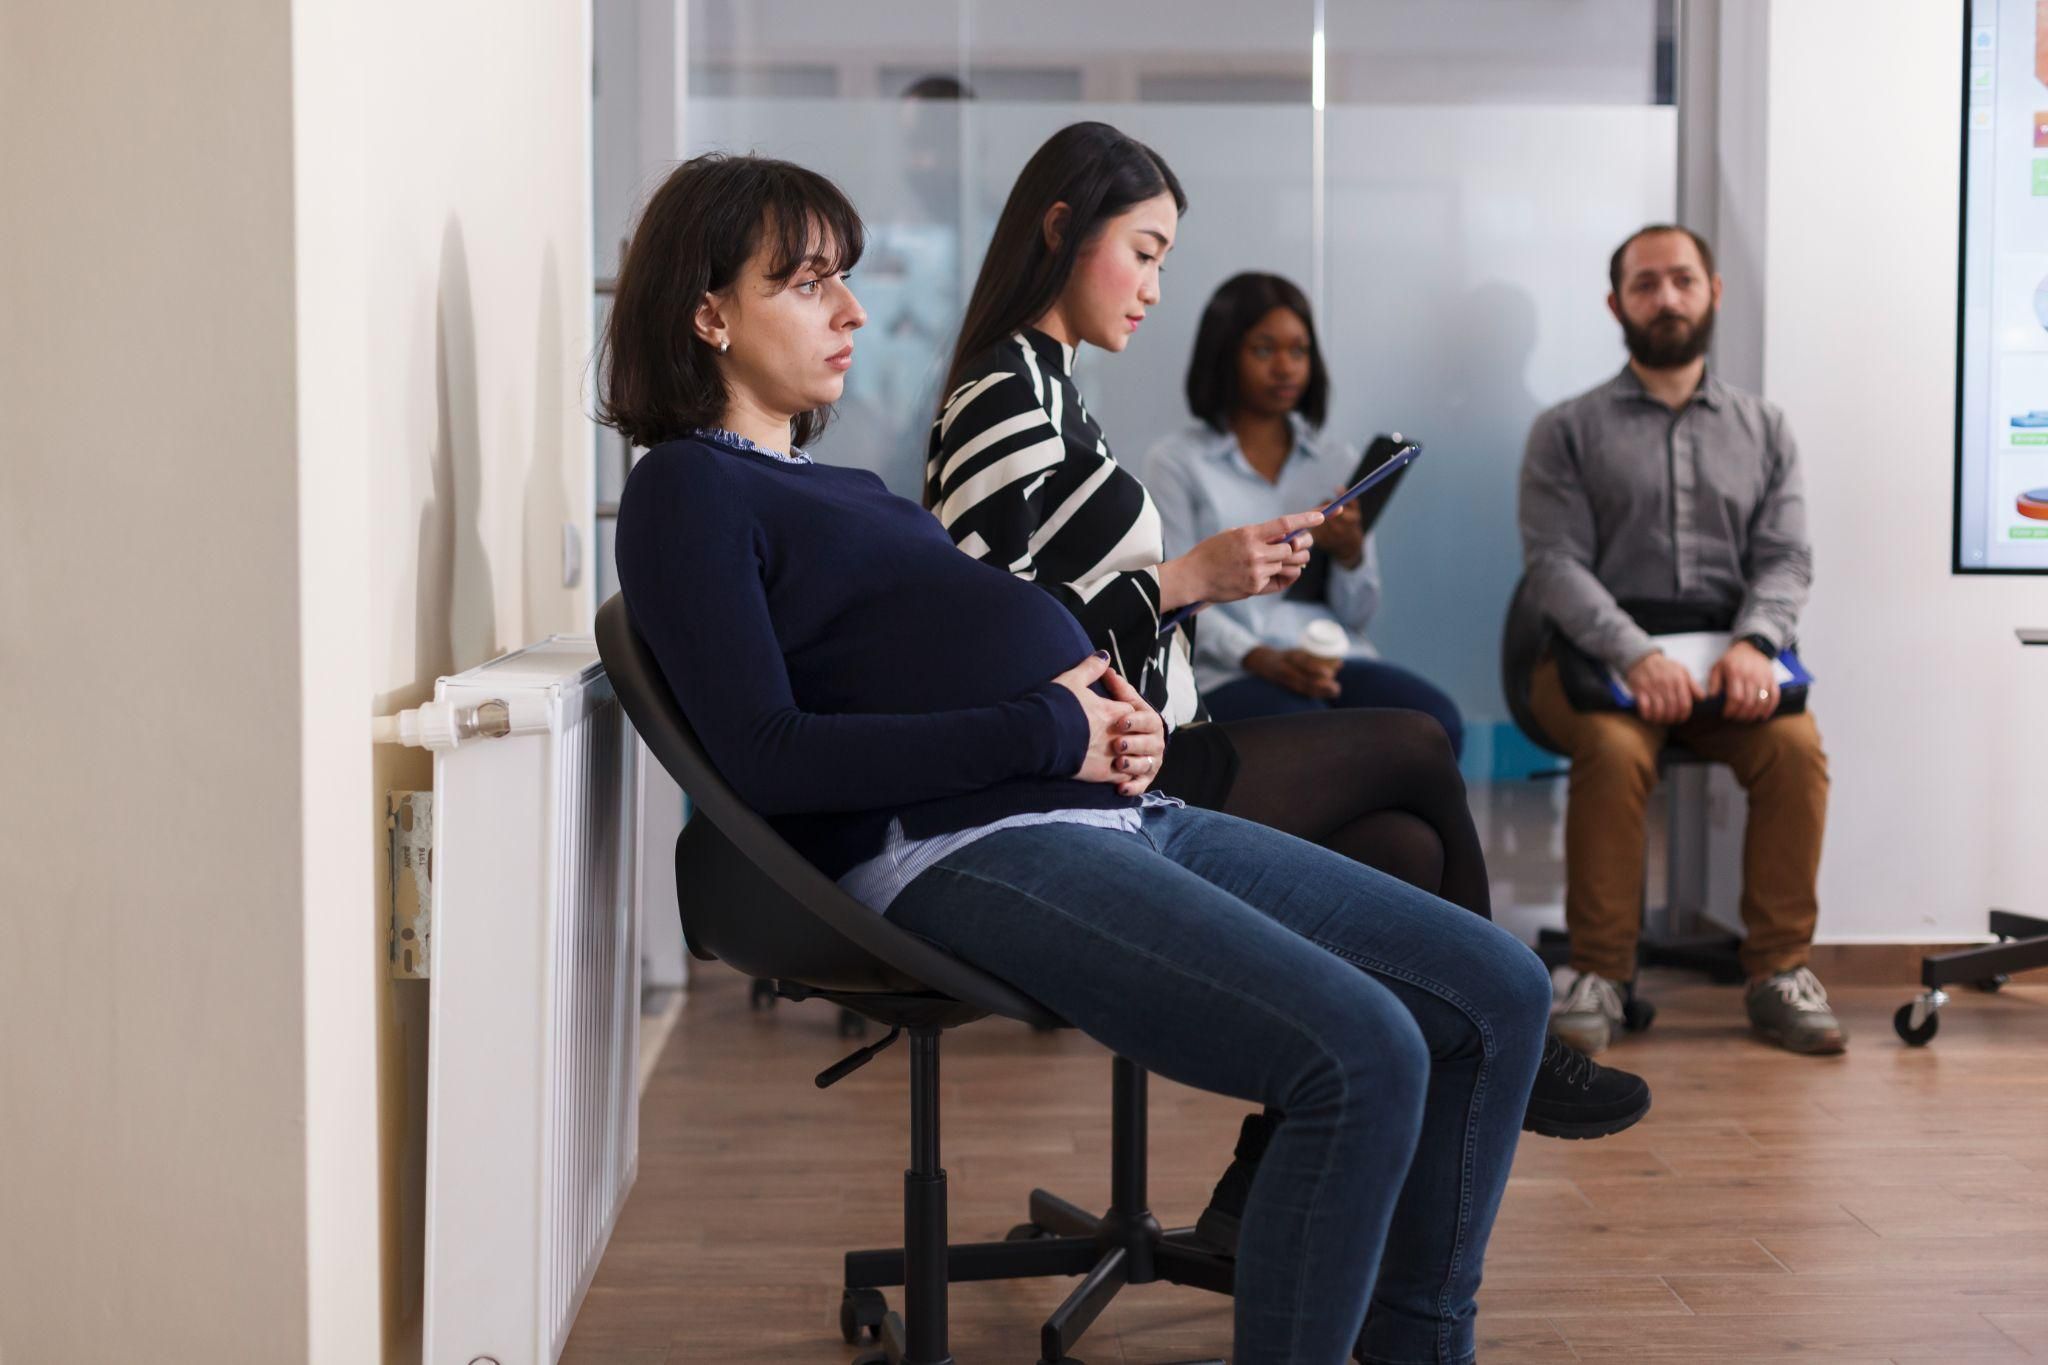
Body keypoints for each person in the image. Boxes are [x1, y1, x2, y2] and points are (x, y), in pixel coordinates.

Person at [604, 150, 1553, 1365]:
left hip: (1111, 804)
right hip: (966, 846)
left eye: (846, 280)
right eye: (804, 285)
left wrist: (1122, 719)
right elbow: (767, 757)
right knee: (1359, 1052)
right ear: (706, 312)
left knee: (1498, 993)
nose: (850, 311)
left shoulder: (842, 489)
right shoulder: (688, 492)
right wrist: (1051, 726)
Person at [928, 123, 1650, 1238]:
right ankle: (1517, 1043)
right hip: (1119, 779)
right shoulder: (1002, 395)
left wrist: (1203, 585)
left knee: (1405, 847)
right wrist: (1186, 582)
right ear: (1062, 231)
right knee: (1411, 736)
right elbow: (985, 638)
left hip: (1159, 744)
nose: (1155, 289)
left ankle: (1255, 1198)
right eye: (1145, 251)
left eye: (1166, 261)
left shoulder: (1055, 389)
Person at [1519, 223, 1840, 1057]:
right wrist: (1635, 652)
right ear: (1616, 303)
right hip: (1596, 662)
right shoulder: (1566, 429)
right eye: (1646, 284)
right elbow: (1554, 565)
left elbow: (1787, 557)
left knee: (1796, 748)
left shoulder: (1766, 428)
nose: (1666, 298)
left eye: (1683, 281)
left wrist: (1757, 643)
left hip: (1729, 662)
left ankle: (1777, 971)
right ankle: (1599, 973)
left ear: (1713, 292)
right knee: (1617, 749)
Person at [1144, 271, 1465, 754]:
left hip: (1334, 660)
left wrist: (1353, 555)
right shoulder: (1176, 463)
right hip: (1230, 668)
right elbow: (1175, 592)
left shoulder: (1336, 462)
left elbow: (1359, 613)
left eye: (1299, 351)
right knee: (1316, 735)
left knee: (1436, 723)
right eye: (1264, 349)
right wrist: (1258, 657)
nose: (1285, 368)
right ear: (1224, 355)